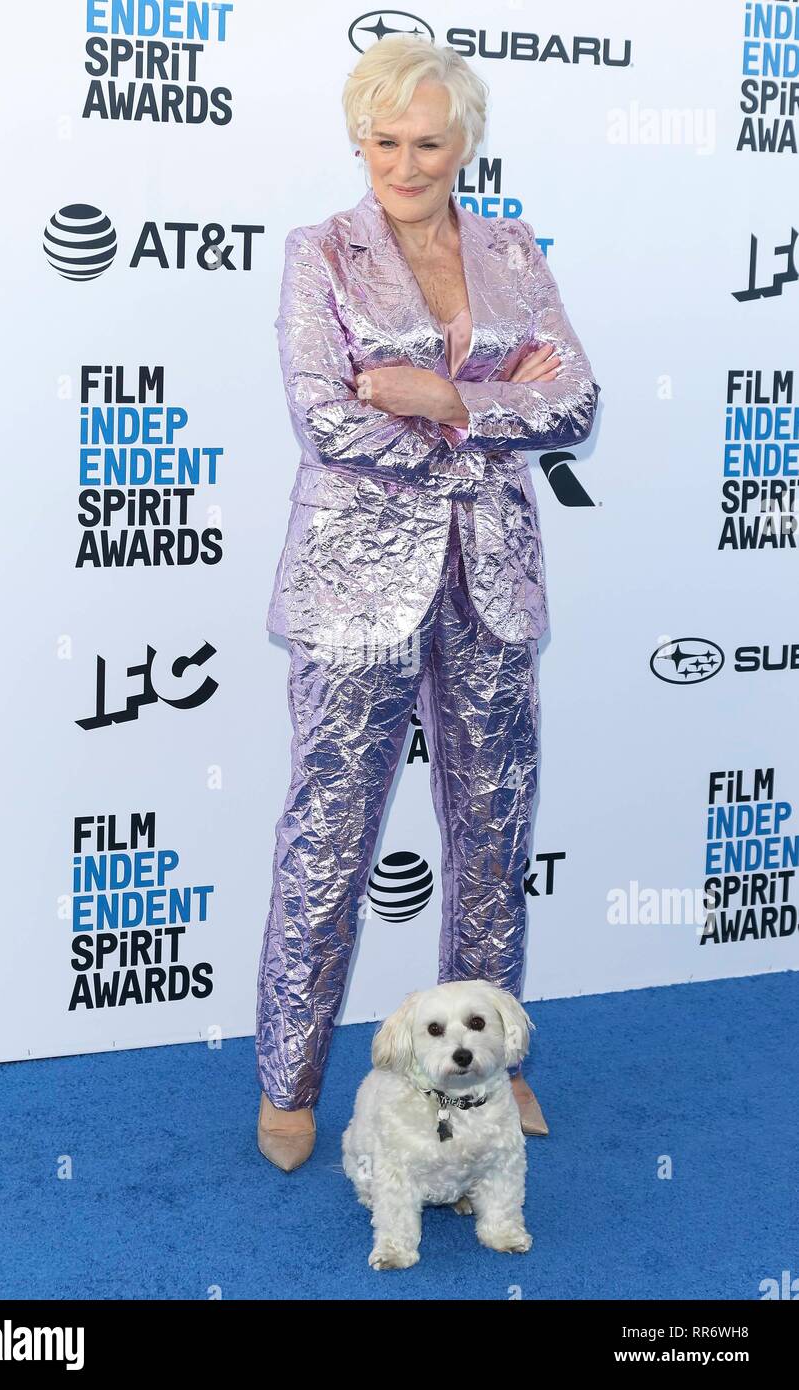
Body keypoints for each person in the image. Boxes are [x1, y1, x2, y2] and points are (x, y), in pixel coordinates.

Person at [256, 34, 600, 1171]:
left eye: (427, 141)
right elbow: (328, 419)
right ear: (358, 137)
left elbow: (577, 400)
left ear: (465, 144)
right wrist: (489, 411)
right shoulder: (321, 252)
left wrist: (441, 395)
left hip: (490, 580)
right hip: (358, 586)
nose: (403, 164)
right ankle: (289, 1082)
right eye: (383, 140)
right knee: (328, 837)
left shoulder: (507, 247)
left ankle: (490, 1077)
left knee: (492, 833)